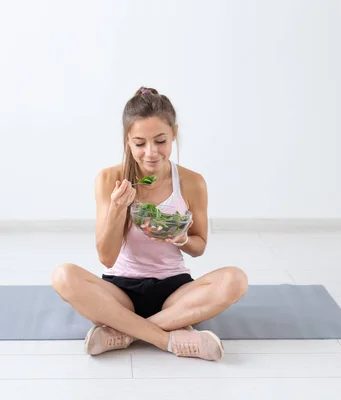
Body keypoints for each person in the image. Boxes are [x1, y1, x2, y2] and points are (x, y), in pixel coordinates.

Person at [52, 86, 248, 361]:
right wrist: (118, 209)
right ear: (127, 141)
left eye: (161, 141)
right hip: (120, 290)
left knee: (235, 280)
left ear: (174, 134)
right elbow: (106, 259)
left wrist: (181, 238)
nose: (151, 153)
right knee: (63, 276)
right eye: (140, 144)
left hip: (175, 290)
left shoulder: (192, 182)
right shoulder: (109, 179)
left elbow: (199, 246)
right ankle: (168, 338)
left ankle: (125, 331)